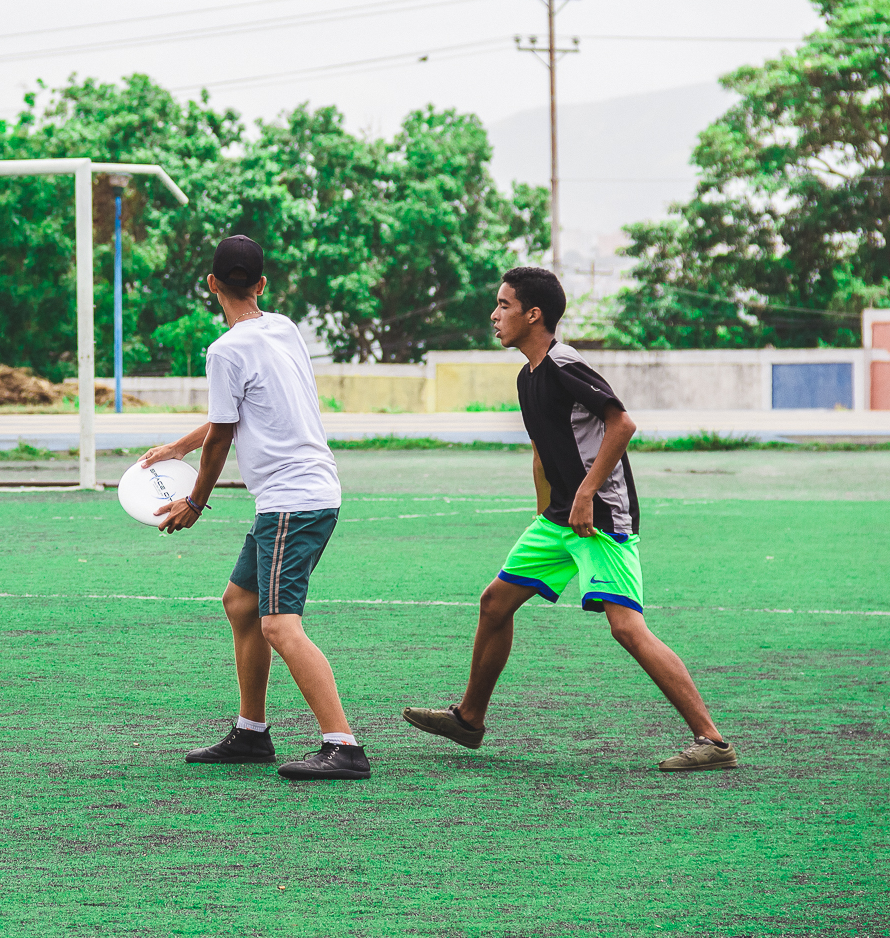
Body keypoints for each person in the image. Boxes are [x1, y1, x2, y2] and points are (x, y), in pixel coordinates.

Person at [402, 266, 738, 772]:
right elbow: (541, 450)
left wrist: (585, 495)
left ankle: (713, 742)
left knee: (626, 628)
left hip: (600, 518)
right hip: (560, 520)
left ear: (533, 314)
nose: (494, 315)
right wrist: (545, 513)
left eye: (504, 305)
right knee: (494, 603)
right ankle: (469, 719)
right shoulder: (527, 376)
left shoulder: (564, 365)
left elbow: (621, 424)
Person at [141, 234, 369, 781]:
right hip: (300, 497)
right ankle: (251, 733)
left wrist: (195, 501)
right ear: (262, 285)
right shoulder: (284, 328)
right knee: (241, 604)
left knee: (280, 625)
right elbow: (231, 416)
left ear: (211, 285)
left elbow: (223, 435)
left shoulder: (225, 350)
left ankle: (344, 745)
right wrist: (178, 448)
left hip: (294, 502)